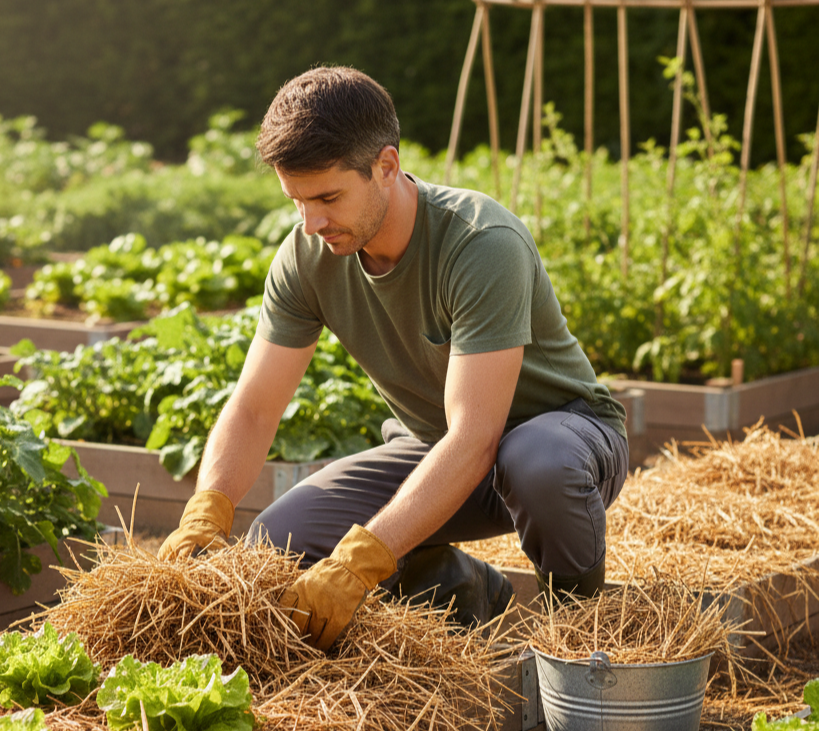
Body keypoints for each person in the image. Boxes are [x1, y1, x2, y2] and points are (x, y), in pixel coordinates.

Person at [157, 66, 629, 652]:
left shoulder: (480, 243)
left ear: (386, 166)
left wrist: (360, 562)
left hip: (563, 443)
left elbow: (478, 436)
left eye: (328, 197)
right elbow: (255, 407)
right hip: (440, 450)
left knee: (536, 461)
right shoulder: (308, 254)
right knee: (275, 543)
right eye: (296, 201)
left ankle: (580, 633)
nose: (311, 223)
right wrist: (209, 506)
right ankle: (470, 592)